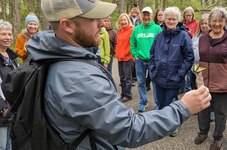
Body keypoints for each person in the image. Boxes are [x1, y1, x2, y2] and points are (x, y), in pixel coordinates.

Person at [27, 1, 211, 149]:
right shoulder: (78, 79)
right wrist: (183, 108)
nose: (102, 23)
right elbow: (129, 129)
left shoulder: (49, 55)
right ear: (66, 25)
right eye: (93, 18)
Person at [194, 7, 227, 150]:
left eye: (220, 21)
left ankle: (218, 138)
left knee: (220, 112)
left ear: (225, 22)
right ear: (209, 22)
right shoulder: (203, 38)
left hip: (223, 84)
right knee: (203, 109)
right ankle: (203, 132)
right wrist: (198, 78)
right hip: (205, 83)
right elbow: (200, 59)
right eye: (213, 21)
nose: (216, 24)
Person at [149, 7, 194, 136]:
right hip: (159, 77)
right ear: (164, 19)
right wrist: (153, 69)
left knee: (172, 104)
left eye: (174, 19)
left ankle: (173, 125)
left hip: (175, 78)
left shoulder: (183, 36)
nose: (171, 21)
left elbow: (189, 57)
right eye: (168, 18)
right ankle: (163, 124)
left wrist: (181, 73)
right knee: (161, 103)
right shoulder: (159, 36)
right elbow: (152, 54)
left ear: (177, 20)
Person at [130, 7, 162, 112]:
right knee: (141, 82)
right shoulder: (137, 29)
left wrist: (158, 57)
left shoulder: (157, 28)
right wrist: (135, 55)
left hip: (153, 60)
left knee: (155, 82)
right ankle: (143, 101)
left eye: (148, 14)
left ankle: (158, 103)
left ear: (152, 16)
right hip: (140, 60)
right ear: (141, 16)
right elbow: (132, 44)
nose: (146, 17)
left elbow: (161, 44)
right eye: (144, 14)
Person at [0, 20, 19, 150]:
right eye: (3, 34)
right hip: (2, 111)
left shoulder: (12, 57)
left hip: (12, 110)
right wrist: (2, 107)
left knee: (9, 145)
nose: (7, 37)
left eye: (9, 34)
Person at [115, 13, 134, 103]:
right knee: (122, 77)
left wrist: (125, 53)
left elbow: (132, 44)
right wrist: (117, 53)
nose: (123, 22)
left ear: (128, 21)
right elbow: (118, 44)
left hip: (128, 57)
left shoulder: (132, 30)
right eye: (121, 20)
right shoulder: (119, 31)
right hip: (120, 58)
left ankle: (128, 95)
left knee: (127, 78)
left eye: (124, 20)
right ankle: (123, 93)